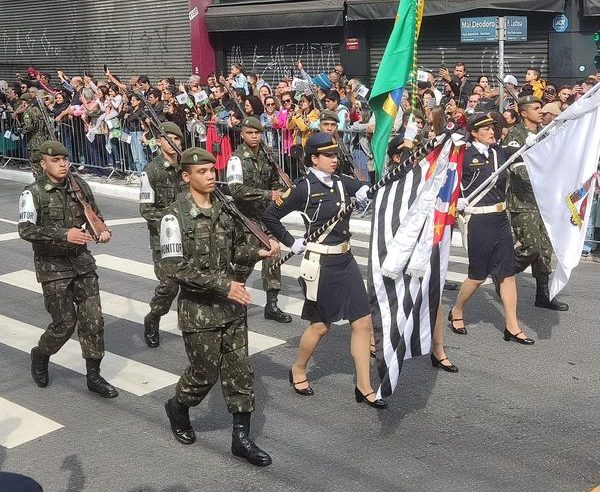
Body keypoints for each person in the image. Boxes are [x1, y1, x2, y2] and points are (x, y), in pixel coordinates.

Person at [160, 147, 277, 467]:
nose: (211, 176)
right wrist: (224, 285)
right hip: (199, 312)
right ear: (186, 177)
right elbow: (175, 269)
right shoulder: (174, 216)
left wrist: (258, 251)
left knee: (241, 372)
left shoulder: (226, 210)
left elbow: (237, 251)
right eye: (203, 172)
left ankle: (241, 439)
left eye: (213, 170)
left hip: (231, 308)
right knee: (204, 373)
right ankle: (178, 406)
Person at [262, 132, 387, 409]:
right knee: (320, 326)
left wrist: (367, 189)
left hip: (346, 259)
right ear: (314, 159)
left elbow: (370, 187)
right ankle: (298, 368)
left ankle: (364, 386)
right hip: (321, 264)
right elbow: (269, 215)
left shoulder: (342, 182)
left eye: (335, 155)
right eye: (328, 156)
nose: (334, 160)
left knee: (362, 322)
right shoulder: (302, 188)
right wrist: (290, 241)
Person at [18, 140, 118, 397]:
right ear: (43, 164)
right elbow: (25, 229)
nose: (62, 164)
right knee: (64, 323)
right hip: (53, 268)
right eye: (55, 161)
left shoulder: (79, 185)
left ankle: (94, 376)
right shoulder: (33, 193)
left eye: (65, 160)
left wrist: (102, 229)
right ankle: (41, 354)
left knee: (93, 321)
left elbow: (93, 213)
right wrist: (64, 235)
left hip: (82, 263)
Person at [449, 114, 534, 345]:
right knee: (477, 276)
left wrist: (534, 143)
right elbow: (447, 183)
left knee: (507, 274)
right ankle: (457, 310)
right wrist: (456, 202)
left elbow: (523, 159)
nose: (491, 131)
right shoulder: (464, 156)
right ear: (474, 133)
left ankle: (512, 326)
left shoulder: (500, 153)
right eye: (485, 128)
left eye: (493, 127)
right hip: (478, 220)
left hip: (500, 218)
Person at [505, 96, 568, 311]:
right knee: (530, 248)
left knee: (544, 251)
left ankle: (543, 295)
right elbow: (513, 165)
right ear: (523, 112)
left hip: (544, 201)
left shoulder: (545, 133)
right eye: (536, 108)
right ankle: (503, 273)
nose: (541, 111)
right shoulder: (516, 134)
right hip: (524, 201)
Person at [227, 116, 291, 323]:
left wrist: (283, 191)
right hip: (245, 218)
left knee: (274, 256)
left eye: (257, 133)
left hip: (265, 216)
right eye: (250, 133)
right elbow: (236, 190)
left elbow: (274, 181)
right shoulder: (236, 159)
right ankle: (233, 299)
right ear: (243, 134)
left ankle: (271, 304)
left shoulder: (266, 155)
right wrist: (267, 194)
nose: (254, 137)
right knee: (246, 261)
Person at [139, 122, 186, 348]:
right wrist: (173, 222)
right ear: (159, 141)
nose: (174, 143)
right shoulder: (151, 171)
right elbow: (146, 210)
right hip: (165, 240)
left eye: (177, 139)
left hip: (192, 236)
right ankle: (154, 317)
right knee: (169, 285)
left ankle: (190, 324)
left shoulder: (187, 167)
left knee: (194, 282)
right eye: (169, 139)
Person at [18, 93, 48, 179]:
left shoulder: (27, 112)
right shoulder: (38, 110)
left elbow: (29, 127)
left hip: (34, 143)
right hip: (43, 140)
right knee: (43, 165)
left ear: (24, 102)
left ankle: (39, 184)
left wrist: (21, 131)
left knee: (35, 166)